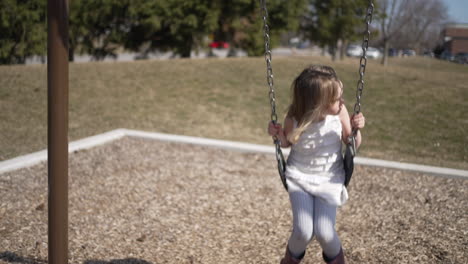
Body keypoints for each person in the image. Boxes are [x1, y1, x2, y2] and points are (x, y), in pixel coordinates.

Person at [267, 65, 365, 264]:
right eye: (336, 99)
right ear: (318, 103)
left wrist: (356, 130)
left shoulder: (340, 113)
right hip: (300, 176)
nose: (342, 102)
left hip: (329, 178)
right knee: (303, 231)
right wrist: (277, 135)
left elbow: (351, 143)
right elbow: (287, 142)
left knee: (325, 232)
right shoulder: (295, 117)